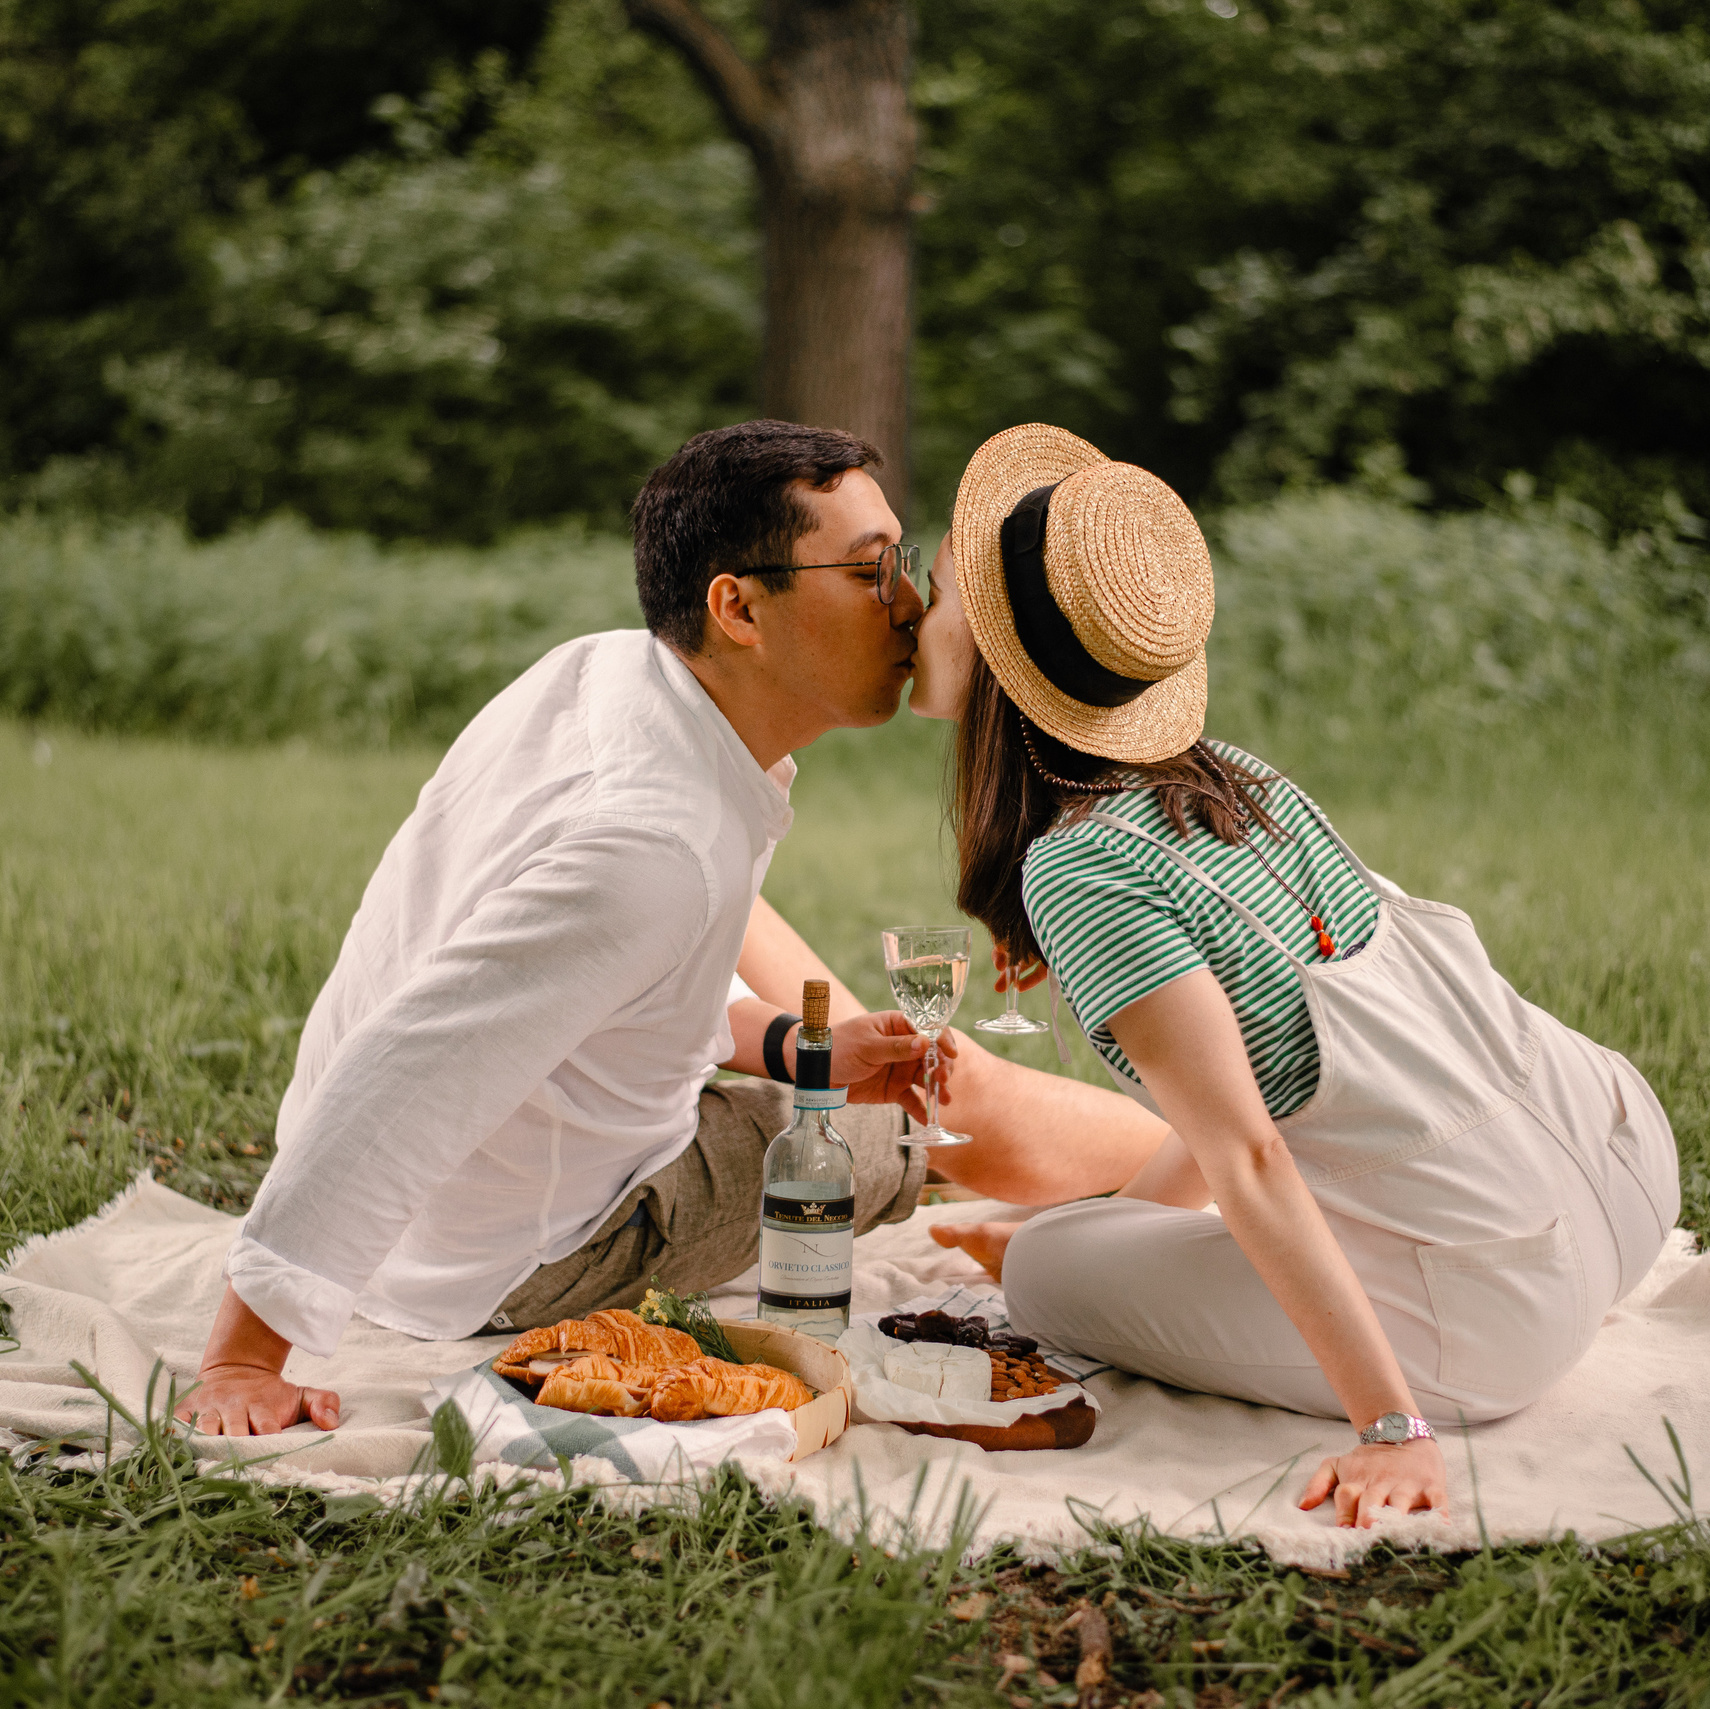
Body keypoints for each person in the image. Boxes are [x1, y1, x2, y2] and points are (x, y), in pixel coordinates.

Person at [181, 419, 1158, 1438]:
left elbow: (610, 974)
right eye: (870, 571)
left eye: (901, 563)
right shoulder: (655, 846)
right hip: (517, 1253)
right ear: (738, 607)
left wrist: (795, 1046)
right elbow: (410, 1070)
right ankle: (1212, 1161)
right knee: (900, 1121)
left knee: (855, 1072)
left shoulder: (604, 676)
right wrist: (244, 1355)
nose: (909, 603)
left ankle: (1198, 1160)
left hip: (454, 1202)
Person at [908, 423, 1680, 1528]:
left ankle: (1387, 1382)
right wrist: (1116, 1231)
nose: (913, 611)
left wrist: (1391, 1428)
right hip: (1622, 1162)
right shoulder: (1232, 780)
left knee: (1043, 1272)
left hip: (1507, 1306)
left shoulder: (1082, 865)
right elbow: (1245, 1089)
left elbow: (1247, 1151)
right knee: (1063, 1237)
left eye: (937, 591)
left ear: (994, 651)